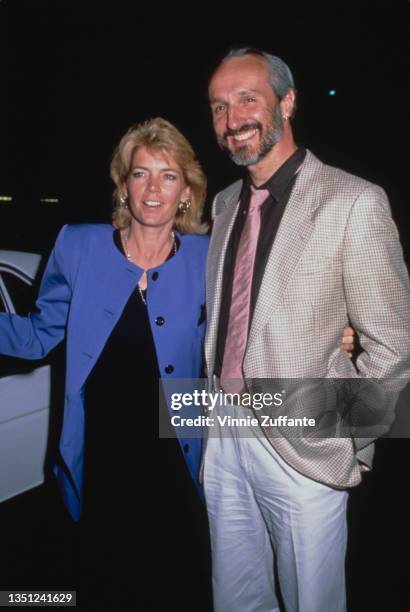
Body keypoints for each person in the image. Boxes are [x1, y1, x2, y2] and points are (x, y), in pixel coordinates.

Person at [203, 48, 410, 612]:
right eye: (220, 106)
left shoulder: (354, 202)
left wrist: (343, 437)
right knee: (236, 597)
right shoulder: (223, 205)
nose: (233, 117)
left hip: (301, 444)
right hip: (223, 433)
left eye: (249, 98)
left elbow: (394, 349)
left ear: (287, 102)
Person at [0, 117, 212, 608]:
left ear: (186, 191)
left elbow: (249, 330)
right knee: (102, 580)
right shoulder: (79, 245)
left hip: (175, 459)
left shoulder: (207, 257)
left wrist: (340, 337)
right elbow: (37, 336)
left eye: (168, 175)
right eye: (141, 174)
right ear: (124, 186)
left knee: (174, 583)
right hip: (99, 457)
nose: (153, 189)